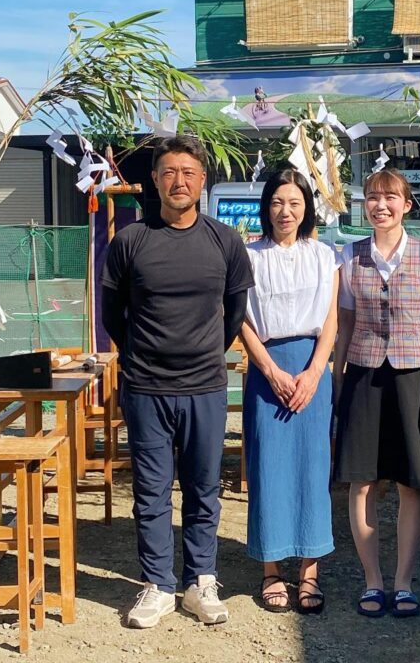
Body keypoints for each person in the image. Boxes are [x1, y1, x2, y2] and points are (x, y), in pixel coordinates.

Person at [101, 136, 254, 629]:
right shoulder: (130, 242)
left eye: (188, 172)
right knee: (149, 491)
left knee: (203, 487)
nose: (179, 181)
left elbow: (234, 315)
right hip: (146, 387)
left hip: (205, 385)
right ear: (154, 181)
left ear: (202, 180)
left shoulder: (225, 241)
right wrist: (145, 355)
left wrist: (202, 351)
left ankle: (201, 580)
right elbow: (113, 316)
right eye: (169, 172)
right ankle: (158, 585)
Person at [333, 167, 420, 620]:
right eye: (373, 197)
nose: (381, 205)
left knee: (410, 481)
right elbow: (343, 323)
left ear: (407, 204)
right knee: (362, 481)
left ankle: (403, 583)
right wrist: (338, 375)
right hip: (362, 372)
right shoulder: (348, 254)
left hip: (413, 375)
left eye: (390, 197)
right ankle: (372, 580)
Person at [240, 169, 339, 614]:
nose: (286, 211)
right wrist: (270, 369)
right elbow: (240, 318)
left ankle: (310, 572)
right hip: (266, 370)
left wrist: (315, 372)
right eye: (278, 202)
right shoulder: (248, 256)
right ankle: (271, 570)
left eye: (295, 202)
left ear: (306, 207)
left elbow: (333, 319)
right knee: (268, 468)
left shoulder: (325, 256)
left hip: (312, 370)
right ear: (267, 207)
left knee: (312, 469)